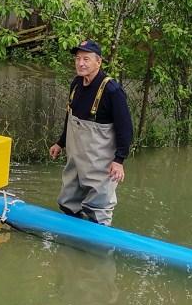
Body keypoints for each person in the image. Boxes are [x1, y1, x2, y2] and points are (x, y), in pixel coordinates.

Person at [49, 39, 133, 226]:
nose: (80, 63)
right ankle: (72, 242)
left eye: (86, 59)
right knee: (67, 202)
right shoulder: (77, 84)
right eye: (78, 59)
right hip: (76, 159)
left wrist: (119, 160)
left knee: (98, 209)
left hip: (100, 163)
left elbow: (125, 128)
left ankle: (99, 246)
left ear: (98, 62)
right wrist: (60, 143)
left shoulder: (112, 90)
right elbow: (70, 118)